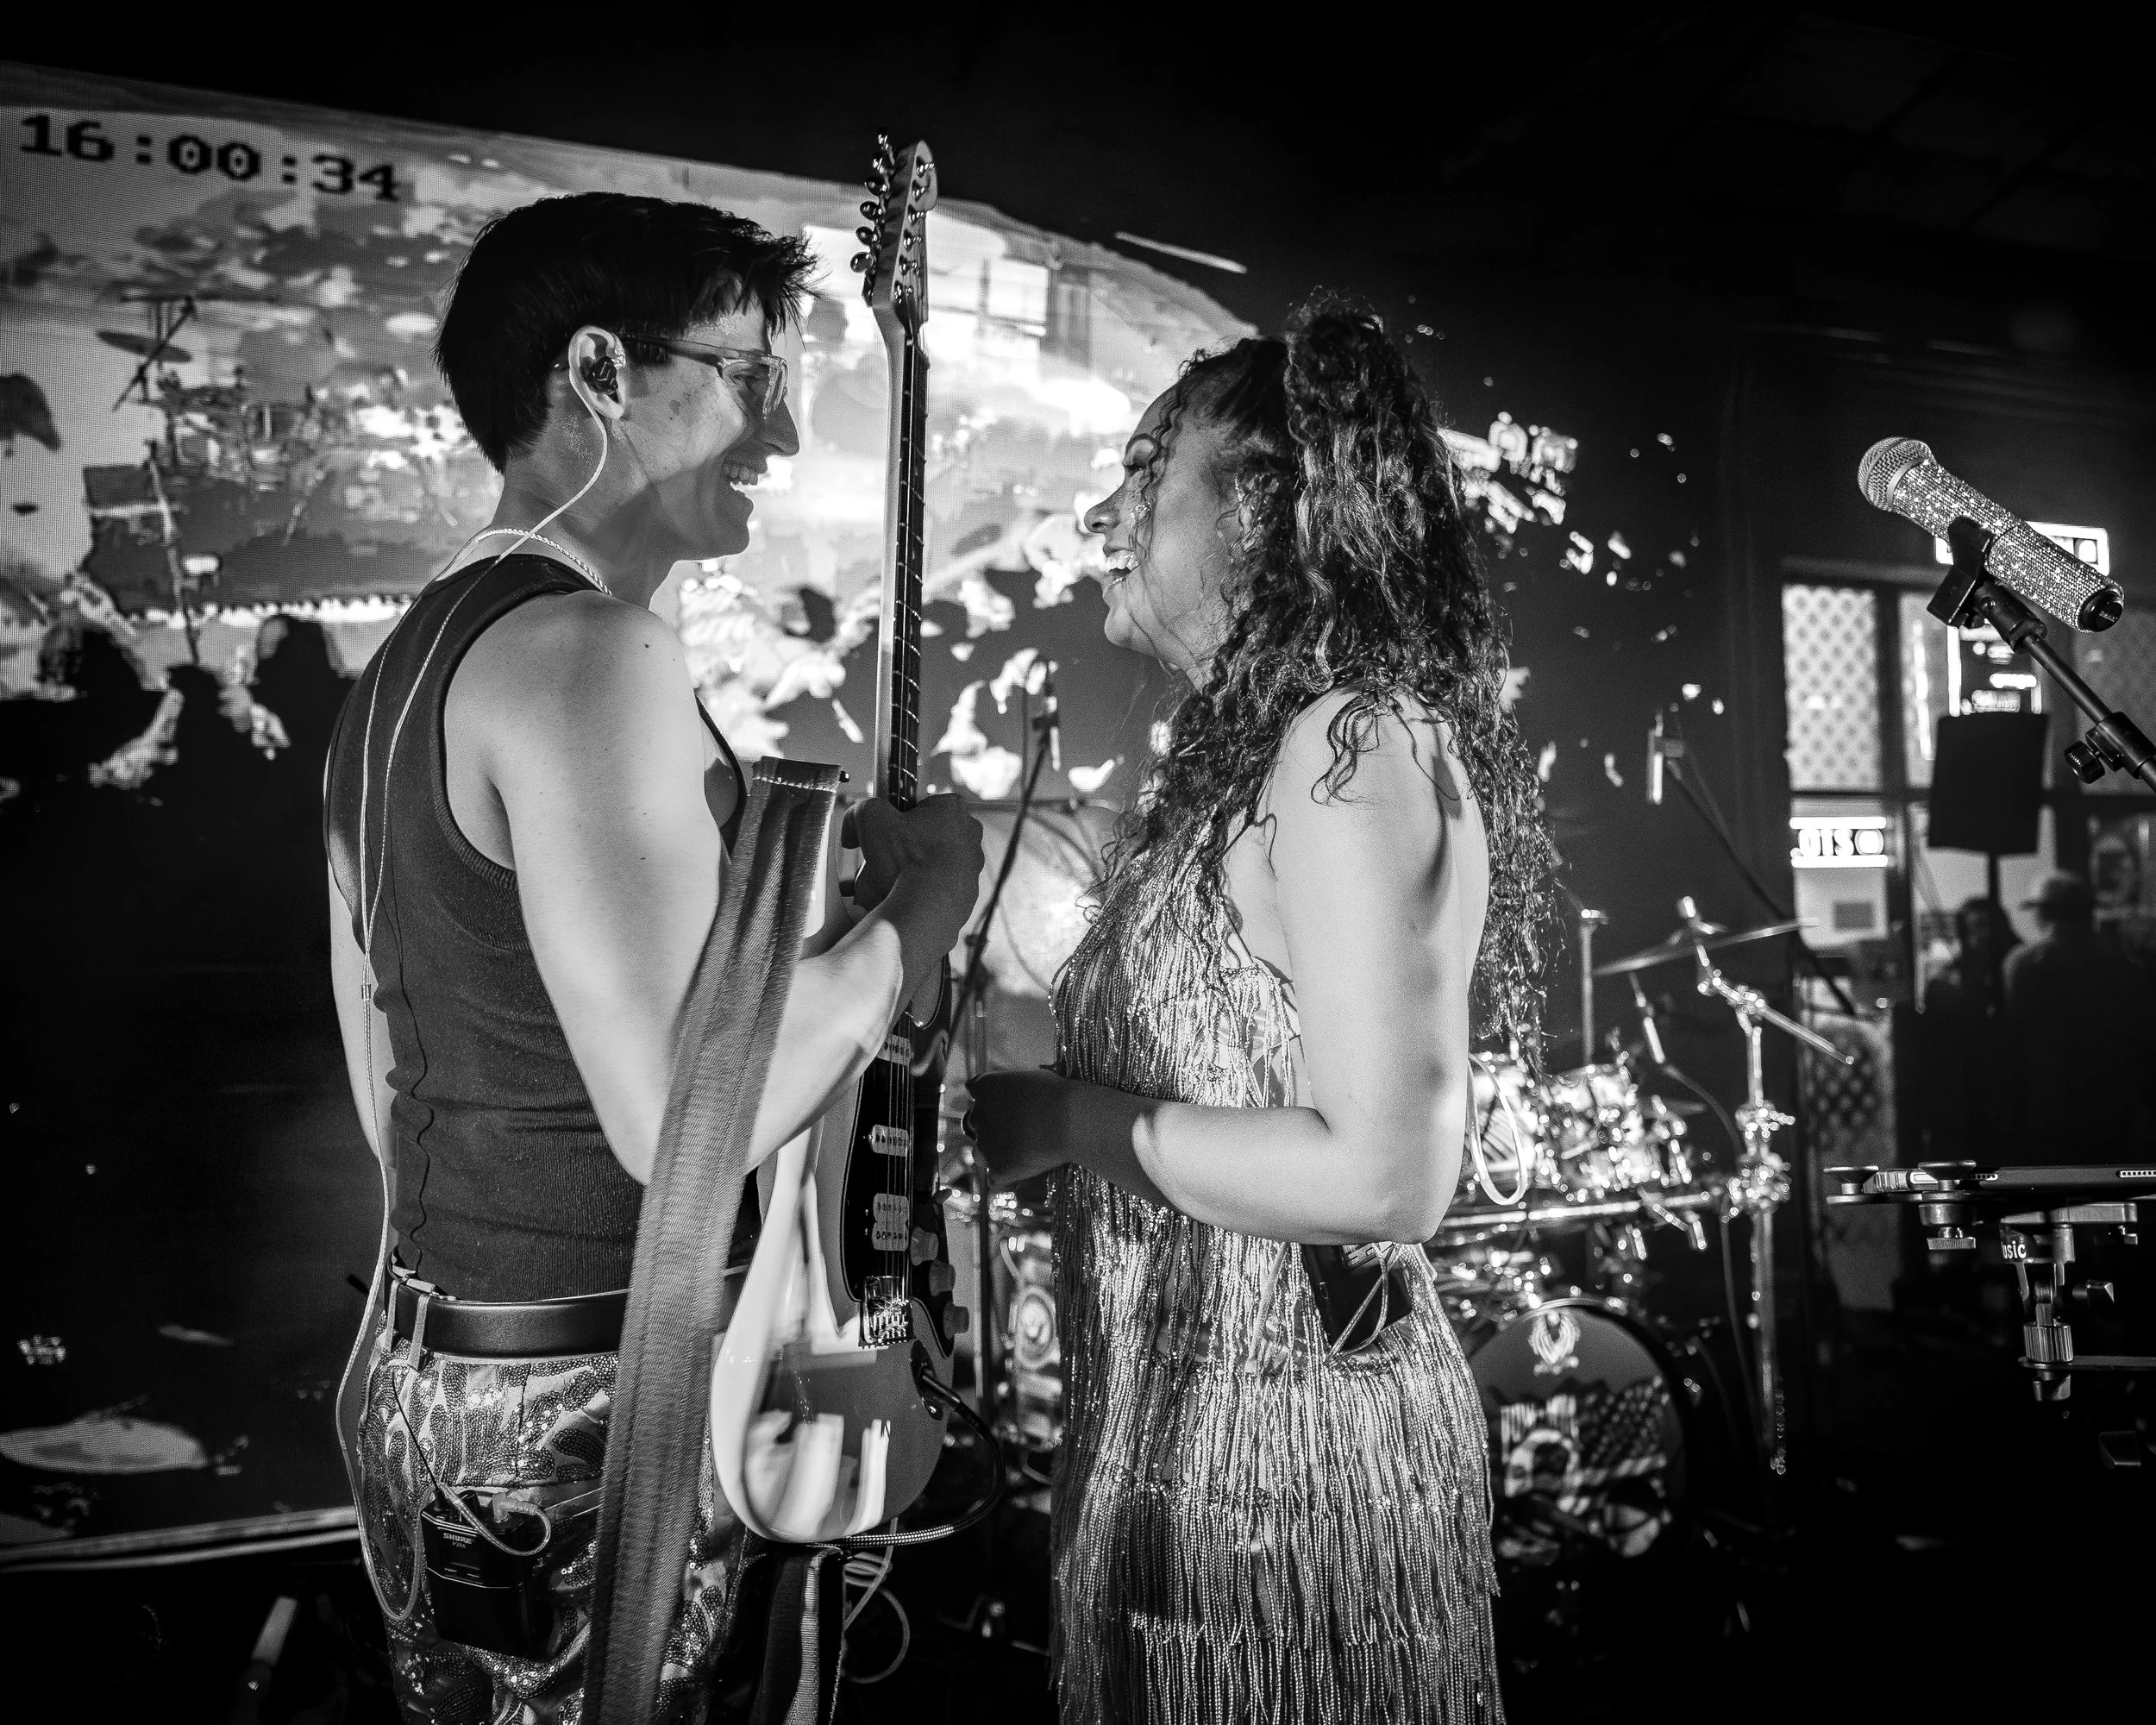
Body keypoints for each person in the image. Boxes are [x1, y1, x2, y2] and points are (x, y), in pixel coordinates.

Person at [321, 193, 981, 1722]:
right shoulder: (589, 654)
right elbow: (686, 1122)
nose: (789, 433)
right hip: (588, 1412)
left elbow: (382, 1070)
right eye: (752, 376)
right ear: (602, 370)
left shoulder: (405, 666)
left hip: (444, 1381)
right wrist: (929, 903)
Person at [969, 300, 1551, 1724]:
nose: (1107, 515)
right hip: (1167, 1465)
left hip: (1296, 1501)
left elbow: (1381, 1175)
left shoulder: (1354, 747)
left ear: (1256, 513)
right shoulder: (1247, 757)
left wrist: (1059, 1119)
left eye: (1145, 471)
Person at [2004, 870, 2156, 1163]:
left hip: (2048, 1105)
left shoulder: (2025, 964)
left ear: (2045, 913)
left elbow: (2011, 1033)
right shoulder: (2124, 969)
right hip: (2115, 1105)